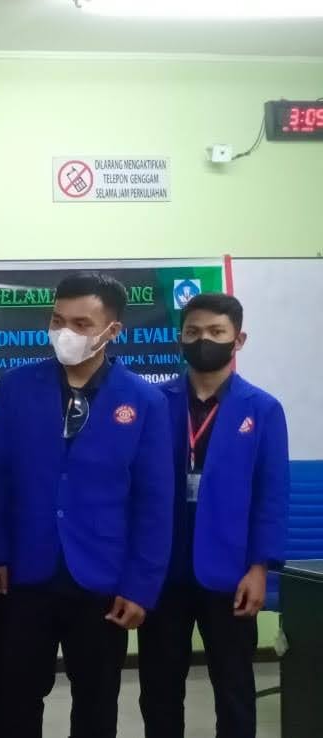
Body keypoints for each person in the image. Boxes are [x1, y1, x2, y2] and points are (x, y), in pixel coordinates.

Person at [0, 272, 175, 738]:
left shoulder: (144, 401)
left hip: (103, 577)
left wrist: (141, 586)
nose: (66, 332)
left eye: (82, 324)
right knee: (16, 698)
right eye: (58, 320)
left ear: (112, 330)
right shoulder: (17, 387)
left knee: (96, 703)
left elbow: (154, 502)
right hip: (26, 571)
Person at [139, 294, 289, 738]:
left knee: (234, 687)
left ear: (238, 340)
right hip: (162, 571)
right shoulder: (153, 402)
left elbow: (271, 495)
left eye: (216, 332)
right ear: (180, 338)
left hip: (231, 573)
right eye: (193, 332)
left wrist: (260, 568)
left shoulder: (262, 408)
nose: (203, 340)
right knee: (159, 688)